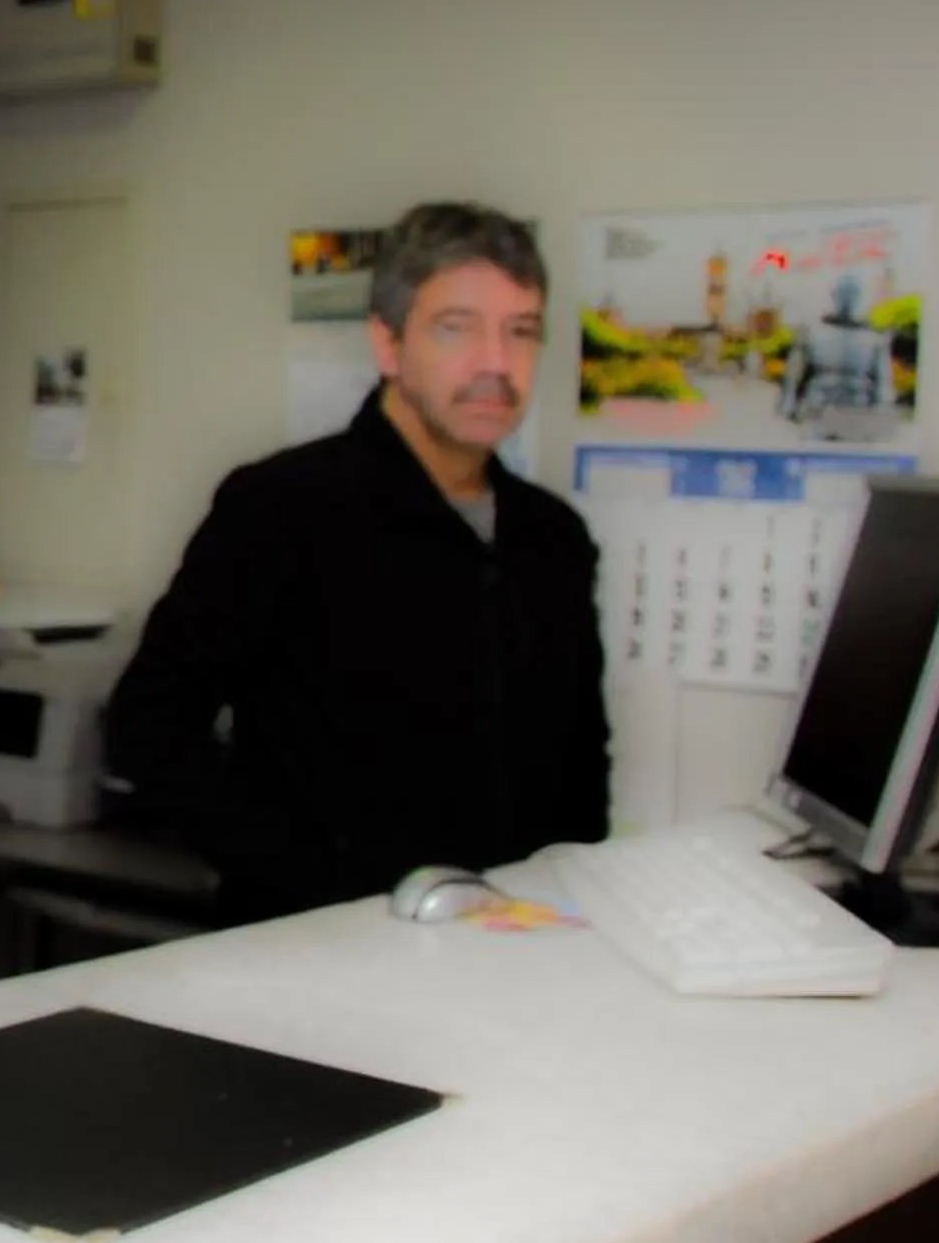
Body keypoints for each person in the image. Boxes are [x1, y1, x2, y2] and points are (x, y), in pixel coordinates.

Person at [105, 202, 608, 924]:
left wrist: (570, 904)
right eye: (456, 328)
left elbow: (582, 764)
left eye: (520, 332)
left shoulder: (553, 538)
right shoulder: (281, 509)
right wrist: (306, 875)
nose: (496, 363)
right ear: (388, 343)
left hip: (511, 954)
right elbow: (148, 726)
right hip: (317, 949)